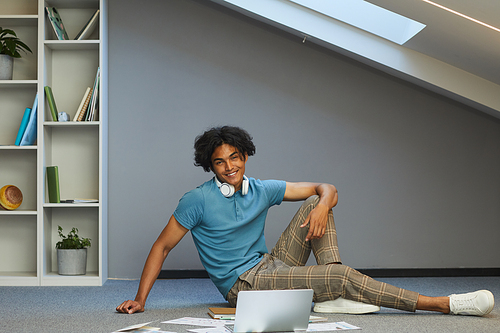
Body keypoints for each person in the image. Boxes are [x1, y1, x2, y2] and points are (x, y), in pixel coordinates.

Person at [117, 125, 494, 316]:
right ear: (210, 165)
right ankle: (444, 304)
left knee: (317, 201)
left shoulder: (261, 188)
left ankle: (332, 293)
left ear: (246, 156)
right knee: (342, 276)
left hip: (270, 265)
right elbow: (162, 246)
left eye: (235, 157)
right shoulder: (196, 200)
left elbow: (324, 187)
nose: (230, 166)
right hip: (243, 286)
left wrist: (321, 203)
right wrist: (140, 299)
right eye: (220, 161)